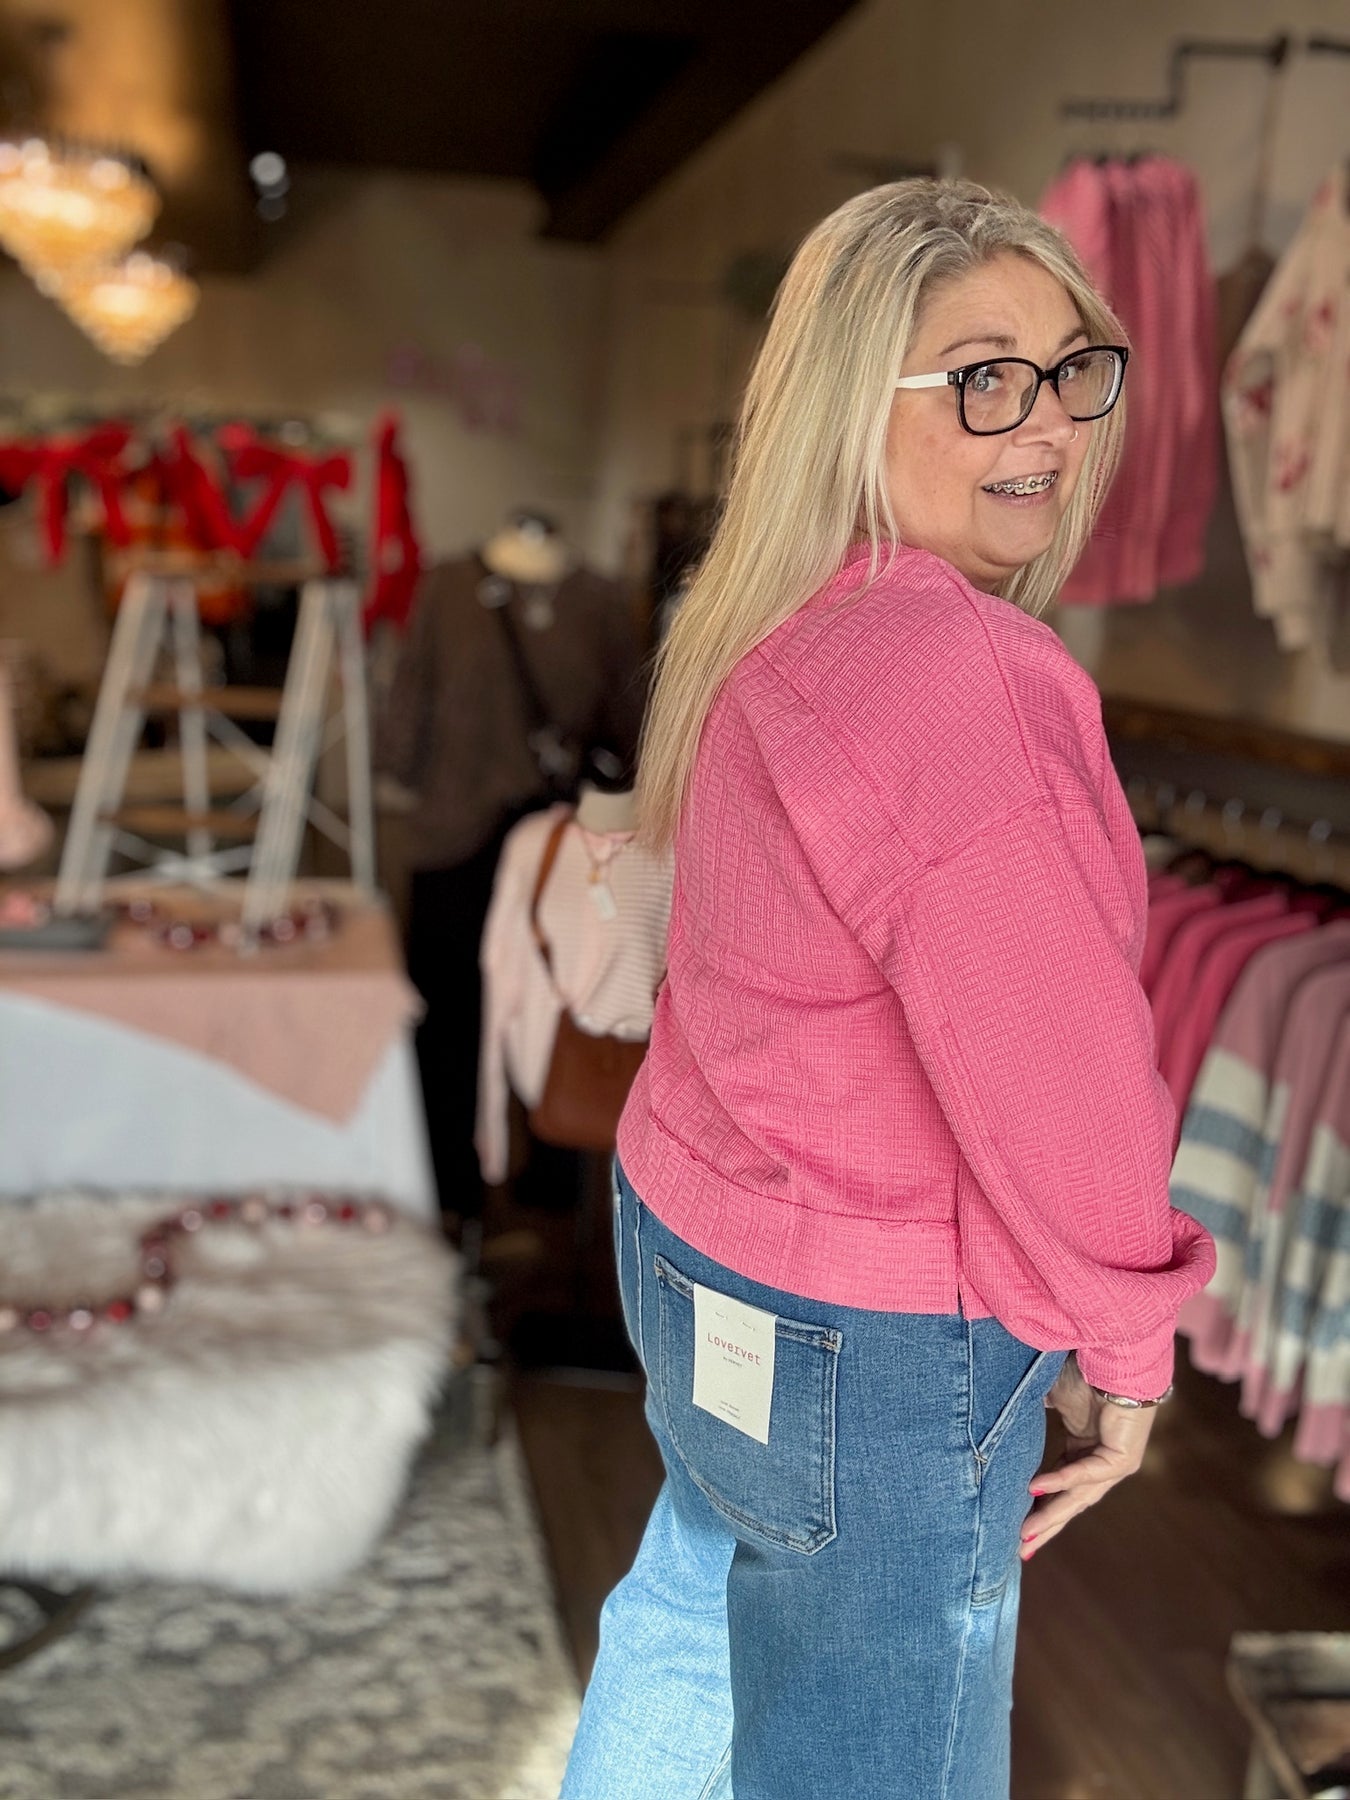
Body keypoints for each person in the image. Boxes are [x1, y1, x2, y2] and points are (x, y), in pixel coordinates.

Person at [560, 179, 1217, 1800]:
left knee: (693, 1615)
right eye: (982, 376)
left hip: (696, 1247)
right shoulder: (955, 671)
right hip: (864, 1335)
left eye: (1070, 368)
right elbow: (1058, 1072)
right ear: (854, 401)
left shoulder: (770, 616)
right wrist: (1127, 1343)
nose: (1045, 422)